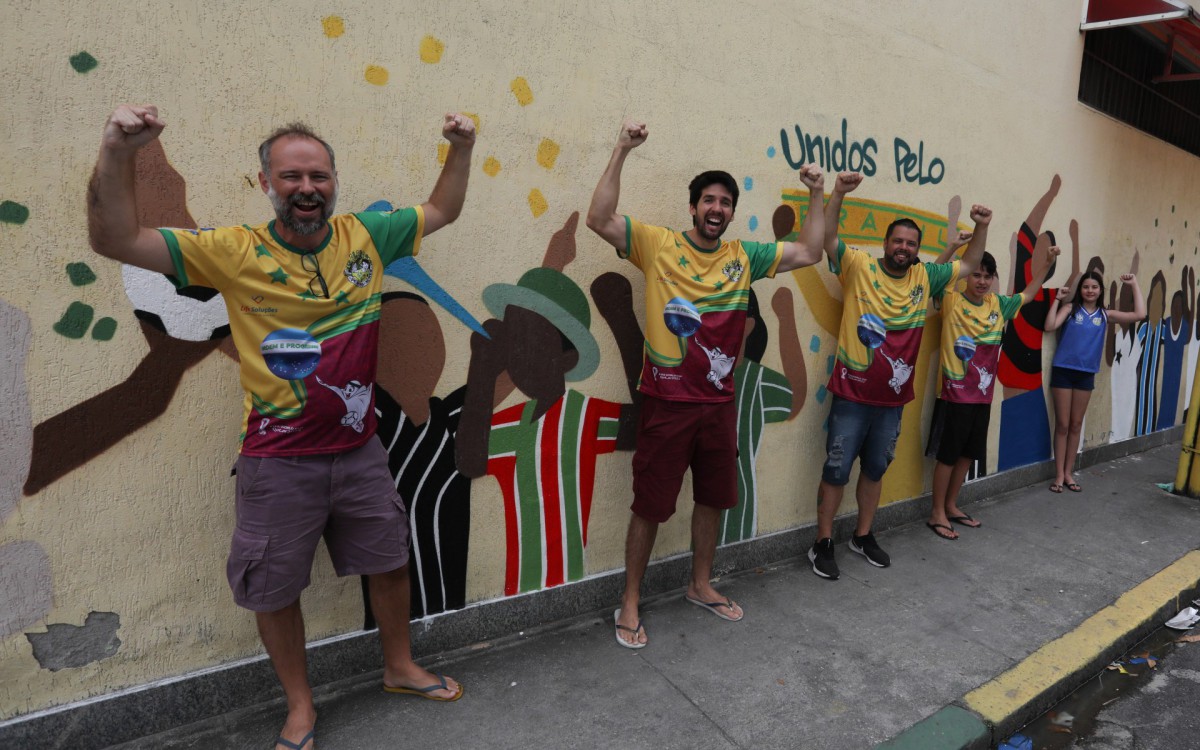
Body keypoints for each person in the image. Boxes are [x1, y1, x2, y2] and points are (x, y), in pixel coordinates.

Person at [87, 104, 474, 750]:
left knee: (390, 563)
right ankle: (300, 706)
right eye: (291, 177)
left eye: (318, 176)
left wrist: (461, 150)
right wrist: (118, 152)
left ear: (334, 181)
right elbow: (117, 241)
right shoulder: (233, 251)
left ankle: (400, 666)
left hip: (360, 452)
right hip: (277, 460)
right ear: (266, 184)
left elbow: (443, 210)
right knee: (273, 590)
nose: (306, 189)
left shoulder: (368, 237)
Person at [585, 119, 827, 648]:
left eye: (726, 203)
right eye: (708, 200)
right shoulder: (657, 244)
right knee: (650, 505)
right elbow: (599, 218)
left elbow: (809, 252)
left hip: (719, 405)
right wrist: (622, 148)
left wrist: (815, 193)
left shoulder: (744, 257)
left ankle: (700, 584)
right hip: (666, 402)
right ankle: (629, 599)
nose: (717, 209)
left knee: (714, 499)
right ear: (692, 206)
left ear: (732, 212)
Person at [811, 171, 989, 579]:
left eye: (911, 243)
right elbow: (828, 238)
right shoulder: (857, 265)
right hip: (851, 396)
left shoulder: (925, 277)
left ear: (917, 250)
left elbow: (972, 262)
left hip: (892, 403)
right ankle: (822, 542)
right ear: (886, 244)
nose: (903, 248)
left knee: (876, 470)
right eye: (898, 241)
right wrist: (837, 193)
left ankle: (863, 535)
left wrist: (982, 226)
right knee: (836, 470)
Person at [925, 246, 1058, 539]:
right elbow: (930, 279)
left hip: (982, 397)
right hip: (953, 394)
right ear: (965, 277)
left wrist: (1047, 264)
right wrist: (951, 248)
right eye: (976, 275)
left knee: (967, 454)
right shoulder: (950, 300)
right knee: (947, 456)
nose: (982, 281)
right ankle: (936, 513)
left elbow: (1030, 294)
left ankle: (951, 505)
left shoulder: (999, 305)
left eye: (987, 276)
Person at [1045, 269, 1144, 493]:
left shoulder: (1105, 314)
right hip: (1063, 371)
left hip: (1086, 374)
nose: (1090, 290)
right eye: (1086, 287)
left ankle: (1069, 473)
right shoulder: (1071, 309)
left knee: (1076, 424)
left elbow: (1139, 314)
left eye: (1094, 287)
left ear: (1100, 291)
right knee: (1062, 424)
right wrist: (1057, 301)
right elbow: (1050, 326)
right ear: (1081, 290)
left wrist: (1134, 284)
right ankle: (1059, 475)